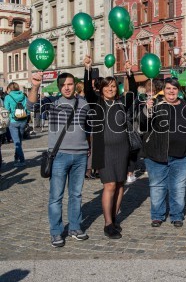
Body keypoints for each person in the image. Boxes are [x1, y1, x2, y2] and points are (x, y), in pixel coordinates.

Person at [27, 71, 91, 248]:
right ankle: (56, 232)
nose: (67, 87)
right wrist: (35, 86)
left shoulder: (83, 103)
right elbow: (31, 106)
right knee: (56, 196)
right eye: (63, 85)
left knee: (76, 195)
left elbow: (89, 128)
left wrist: (89, 149)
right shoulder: (51, 103)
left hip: (80, 156)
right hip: (59, 155)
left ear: (74, 84)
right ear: (59, 86)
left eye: (70, 84)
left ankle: (75, 227)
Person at [84, 56, 137, 239]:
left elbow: (134, 93)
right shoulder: (97, 104)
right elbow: (87, 92)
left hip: (122, 150)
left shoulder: (122, 103)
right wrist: (88, 69)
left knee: (120, 183)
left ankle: (114, 219)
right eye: (107, 86)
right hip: (104, 151)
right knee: (110, 185)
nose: (110, 89)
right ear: (101, 89)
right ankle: (107, 223)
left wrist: (129, 74)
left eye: (113, 86)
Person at [140, 78, 186, 228]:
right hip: (156, 153)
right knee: (157, 186)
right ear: (163, 90)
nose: (171, 91)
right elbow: (143, 124)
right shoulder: (156, 103)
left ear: (179, 90)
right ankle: (157, 215)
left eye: (175, 88)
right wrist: (147, 110)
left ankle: (177, 215)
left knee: (178, 187)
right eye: (169, 88)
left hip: (180, 154)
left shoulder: (185, 105)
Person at [4, 82, 30, 167]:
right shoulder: (23, 95)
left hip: (13, 121)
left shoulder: (8, 97)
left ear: (10, 88)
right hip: (23, 120)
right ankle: (16, 158)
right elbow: (28, 108)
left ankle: (22, 160)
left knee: (17, 142)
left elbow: (6, 109)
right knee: (19, 141)